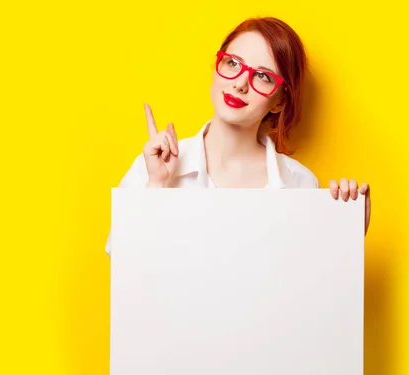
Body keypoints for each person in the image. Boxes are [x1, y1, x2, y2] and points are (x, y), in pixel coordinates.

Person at [106, 16, 371, 255]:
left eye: (263, 77)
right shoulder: (154, 165)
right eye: (233, 63)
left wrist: (345, 235)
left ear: (279, 102)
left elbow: (310, 288)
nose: (240, 83)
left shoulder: (300, 184)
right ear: (216, 67)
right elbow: (122, 264)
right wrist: (157, 186)